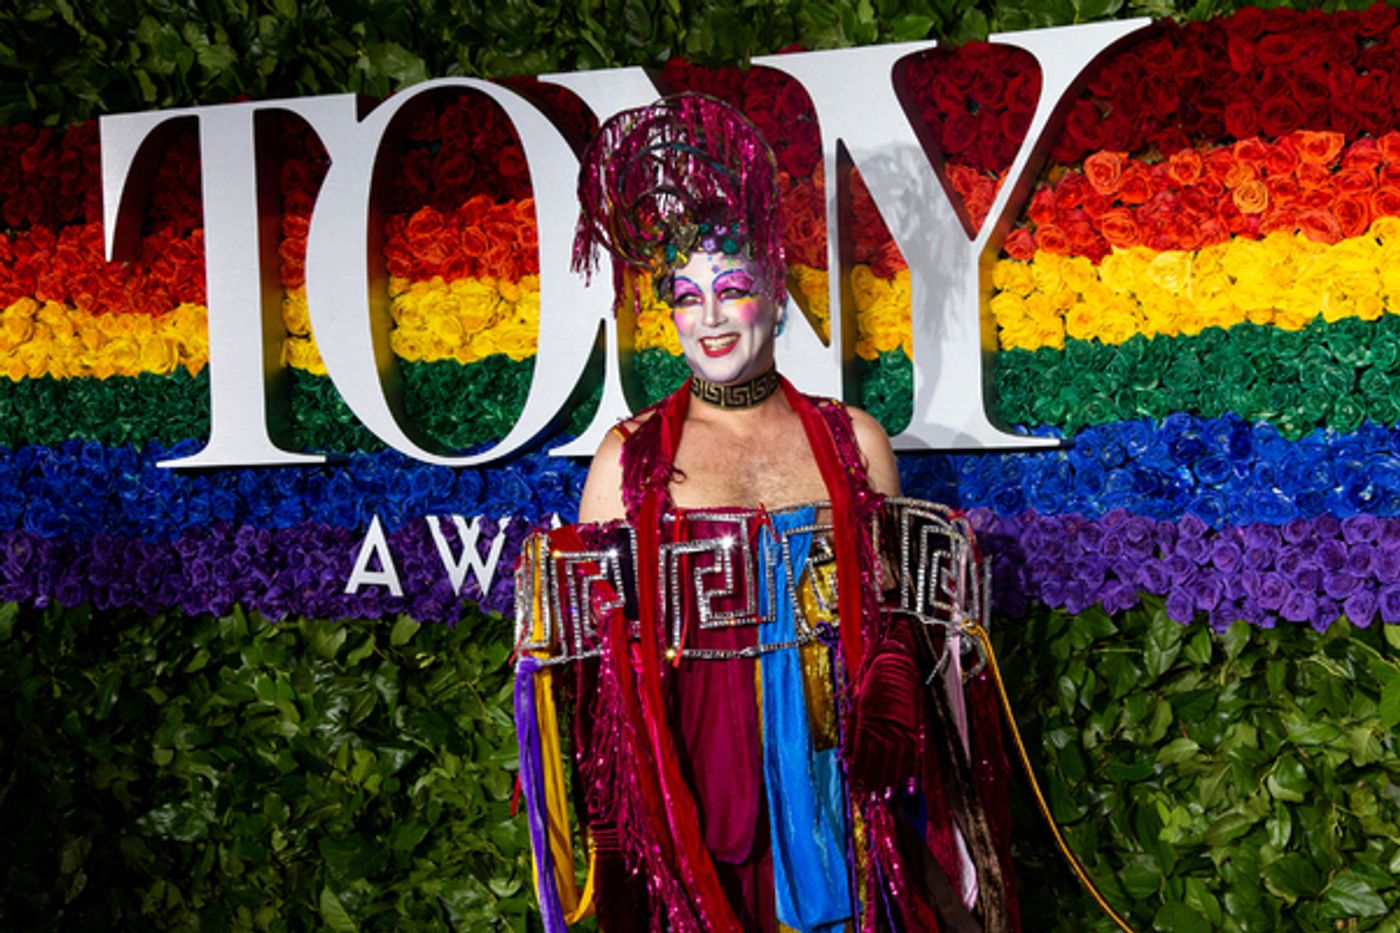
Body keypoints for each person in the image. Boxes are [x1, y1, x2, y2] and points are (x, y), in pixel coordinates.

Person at [513, 94, 1019, 933]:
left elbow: (898, 626)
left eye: (732, 288)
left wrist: (891, 692)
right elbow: (598, 690)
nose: (709, 316)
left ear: (776, 296)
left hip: (838, 797)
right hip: (703, 808)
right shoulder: (627, 458)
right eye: (685, 295)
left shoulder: (853, 440)